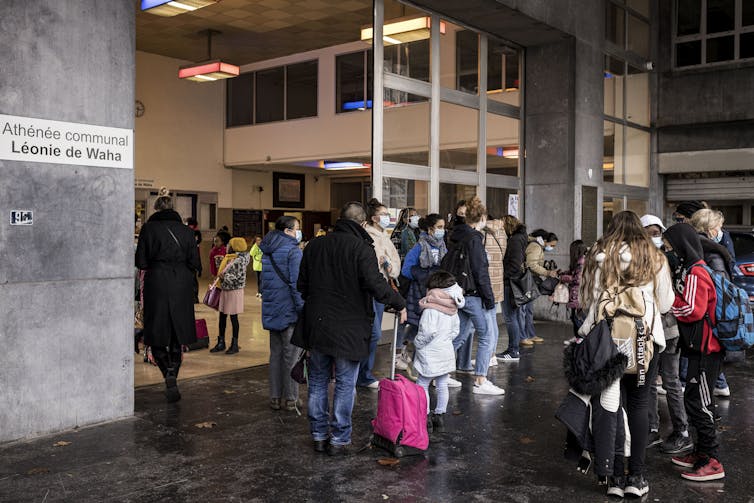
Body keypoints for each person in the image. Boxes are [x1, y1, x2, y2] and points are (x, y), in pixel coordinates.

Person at [295, 201, 407, 455]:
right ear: (363, 223)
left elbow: (302, 285)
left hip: (318, 325)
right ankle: (339, 439)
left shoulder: (315, 245)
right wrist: (400, 303)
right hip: (350, 328)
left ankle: (319, 435)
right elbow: (376, 285)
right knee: (346, 383)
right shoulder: (361, 248)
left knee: (318, 381)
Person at [579, 211, 674, 498]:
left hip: (609, 339)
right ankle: (637, 476)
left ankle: (614, 476)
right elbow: (667, 302)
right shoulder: (654, 257)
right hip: (645, 340)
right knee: (639, 404)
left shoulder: (600, 255)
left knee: (610, 404)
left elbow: (590, 301)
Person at [663, 223, 726, 482]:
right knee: (694, 399)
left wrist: (667, 301)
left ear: (681, 246)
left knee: (700, 403)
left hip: (706, 351)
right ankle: (700, 453)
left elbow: (692, 310)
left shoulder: (696, 273)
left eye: (670, 247)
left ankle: (711, 460)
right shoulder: (692, 270)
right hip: (699, 349)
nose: (668, 251)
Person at [135, 187, 201, 402]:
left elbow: (141, 262)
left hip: (158, 282)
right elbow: (195, 263)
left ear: (155, 208)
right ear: (174, 208)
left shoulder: (148, 229)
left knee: (156, 331)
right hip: (181, 283)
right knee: (177, 333)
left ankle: (167, 373)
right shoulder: (187, 232)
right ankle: (173, 373)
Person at [640, 214, 693, 456]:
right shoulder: (650, 259)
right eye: (650, 232)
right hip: (656, 328)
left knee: (669, 381)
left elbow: (664, 302)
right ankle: (652, 427)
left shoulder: (663, 259)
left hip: (664, 327)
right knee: (651, 382)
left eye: (657, 232)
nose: (655, 237)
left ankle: (681, 430)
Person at [449, 196, 504, 395]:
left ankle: (442, 371)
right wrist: (489, 299)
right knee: (487, 335)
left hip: (461, 292)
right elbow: (481, 272)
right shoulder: (474, 239)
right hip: (474, 294)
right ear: (481, 217)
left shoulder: (458, 235)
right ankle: (481, 379)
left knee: (461, 334)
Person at [260, 217, 304, 412]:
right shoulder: (293, 251)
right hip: (288, 309)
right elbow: (297, 285)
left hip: (271, 308)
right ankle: (292, 398)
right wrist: (302, 308)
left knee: (276, 354)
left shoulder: (267, 250)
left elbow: (264, 282)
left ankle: (275, 398)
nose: (298, 233)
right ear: (287, 231)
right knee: (291, 356)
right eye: (297, 229)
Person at [689, 208, 734, 398]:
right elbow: (723, 293)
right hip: (709, 324)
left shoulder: (701, 252)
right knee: (705, 381)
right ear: (710, 229)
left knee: (703, 381)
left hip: (705, 324)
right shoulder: (713, 254)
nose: (721, 231)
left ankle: (706, 419)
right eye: (719, 227)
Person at [413, 270, 465, 433]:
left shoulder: (430, 309)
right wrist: (446, 340)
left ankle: (425, 417)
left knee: (422, 384)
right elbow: (456, 330)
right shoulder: (452, 308)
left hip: (430, 352)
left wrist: (417, 343)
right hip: (446, 350)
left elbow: (427, 332)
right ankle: (440, 417)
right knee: (442, 384)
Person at [358, 199, 402, 389]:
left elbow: (395, 266)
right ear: (374, 218)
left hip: (380, 289)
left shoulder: (385, 236)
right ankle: (362, 374)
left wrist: (390, 268)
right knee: (372, 333)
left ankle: (363, 373)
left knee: (372, 333)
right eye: (384, 214)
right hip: (368, 289)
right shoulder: (367, 236)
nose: (387, 218)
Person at [400, 214, 448, 374]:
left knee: (426, 327)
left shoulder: (443, 246)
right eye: (439, 227)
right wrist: (426, 275)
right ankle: (412, 362)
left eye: (443, 227)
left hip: (436, 293)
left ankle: (415, 358)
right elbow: (406, 269)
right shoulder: (419, 246)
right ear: (430, 229)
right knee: (419, 325)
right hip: (419, 292)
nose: (443, 230)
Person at [210, 237, 250, 355]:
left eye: (230, 244)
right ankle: (221, 341)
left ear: (235, 246)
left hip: (234, 291)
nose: (228, 246)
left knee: (233, 317)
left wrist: (224, 277)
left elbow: (237, 277)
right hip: (225, 289)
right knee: (222, 315)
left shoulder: (239, 260)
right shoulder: (231, 258)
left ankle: (235, 344)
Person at [496, 215, 528, 362]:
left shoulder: (515, 240)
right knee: (513, 317)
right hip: (513, 282)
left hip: (510, 284)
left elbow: (514, 264)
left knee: (510, 318)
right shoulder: (521, 238)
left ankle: (513, 350)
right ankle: (513, 349)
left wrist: (502, 277)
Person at [521, 229, 559, 346]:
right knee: (525, 309)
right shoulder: (536, 246)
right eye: (551, 245)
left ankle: (530, 334)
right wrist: (547, 273)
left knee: (528, 309)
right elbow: (531, 264)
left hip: (530, 280)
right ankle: (524, 336)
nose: (552, 248)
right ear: (545, 241)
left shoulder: (538, 246)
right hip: (527, 281)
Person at [558, 239, 588, 341]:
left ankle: (581, 337)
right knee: (574, 316)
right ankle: (577, 337)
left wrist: (563, 278)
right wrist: (563, 273)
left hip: (578, 294)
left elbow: (577, 279)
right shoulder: (579, 262)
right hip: (576, 293)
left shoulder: (582, 263)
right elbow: (573, 273)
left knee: (577, 317)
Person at [186, 216, 203, 302]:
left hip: (189, 259)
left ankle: (193, 297)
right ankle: (194, 297)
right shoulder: (196, 232)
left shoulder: (190, 231)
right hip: (194, 258)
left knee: (191, 278)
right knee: (193, 279)